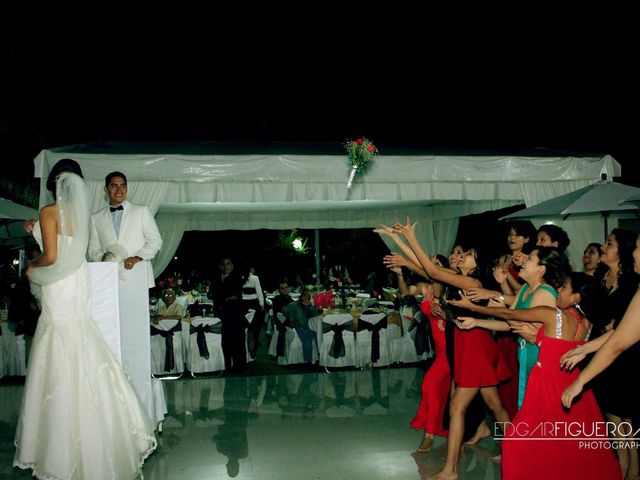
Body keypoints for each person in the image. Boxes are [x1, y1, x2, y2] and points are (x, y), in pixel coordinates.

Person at [14, 159, 156, 479]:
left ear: (53, 184)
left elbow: (51, 257)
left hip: (59, 285)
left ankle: (61, 437)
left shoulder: (49, 212)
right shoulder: (83, 218)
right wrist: (35, 230)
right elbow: (73, 250)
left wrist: (31, 267)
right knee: (81, 335)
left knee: (58, 340)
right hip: (77, 282)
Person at [452, 273, 621, 480]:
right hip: (572, 386)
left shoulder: (552, 315)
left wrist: (473, 307)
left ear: (575, 297)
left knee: (516, 442)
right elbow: (556, 348)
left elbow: (510, 315)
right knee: (567, 449)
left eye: (564, 288)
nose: (558, 291)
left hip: (547, 387)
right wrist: (530, 336)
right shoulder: (587, 324)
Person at [88, 170, 162, 288]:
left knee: (136, 307)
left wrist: (138, 258)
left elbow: (155, 241)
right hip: (109, 277)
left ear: (127, 189)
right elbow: (93, 249)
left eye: (123, 186)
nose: (119, 190)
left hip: (138, 274)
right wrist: (103, 258)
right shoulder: (95, 218)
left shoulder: (141, 211)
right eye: (114, 186)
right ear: (106, 189)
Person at [213, 257, 247, 372]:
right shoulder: (217, 279)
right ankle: (226, 366)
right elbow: (215, 295)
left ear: (232, 266)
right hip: (222, 315)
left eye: (228, 264)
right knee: (225, 341)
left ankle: (240, 367)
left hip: (235, 315)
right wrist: (225, 298)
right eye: (223, 264)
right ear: (219, 266)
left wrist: (224, 298)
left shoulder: (236, 278)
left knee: (237, 341)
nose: (226, 266)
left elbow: (234, 295)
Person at [281, 290, 321, 363]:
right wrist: (291, 319)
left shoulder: (309, 305)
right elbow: (284, 310)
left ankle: (319, 356)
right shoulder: (295, 304)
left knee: (318, 335)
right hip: (299, 326)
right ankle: (308, 360)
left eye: (308, 296)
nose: (306, 298)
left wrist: (310, 306)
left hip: (308, 325)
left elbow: (315, 314)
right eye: (304, 296)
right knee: (307, 338)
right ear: (301, 297)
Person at [242, 265, 265, 357]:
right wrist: (262, 303)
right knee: (254, 327)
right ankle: (252, 349)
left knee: (245, 327)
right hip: (253, 303)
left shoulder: (241, 278)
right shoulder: (255, 278)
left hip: (243, 303)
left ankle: (246, 348)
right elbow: (259, 291)